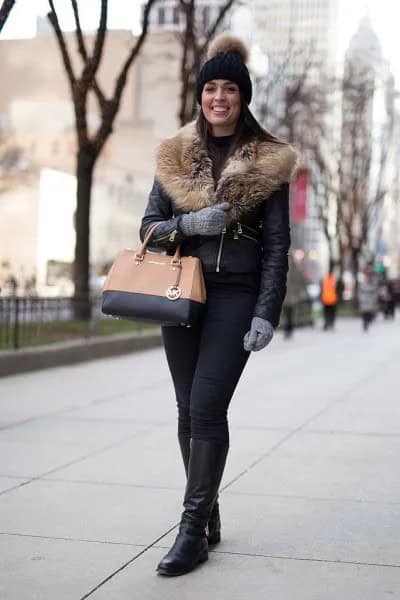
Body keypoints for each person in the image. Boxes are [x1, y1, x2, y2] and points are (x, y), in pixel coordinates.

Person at [140, 33, 297, 576]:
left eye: (230, 88)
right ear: (201, 96)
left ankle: (191, 533)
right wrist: (187, 224)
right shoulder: (175, 155)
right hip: (182, 289)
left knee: (207, 406)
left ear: (243, 96)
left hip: (235, 294)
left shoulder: (271, 161)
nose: (220, 97)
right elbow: (148, 230)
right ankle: (208, 512)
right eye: (211, 88)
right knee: (186, 410)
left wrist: (266, 311)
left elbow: (278, 246)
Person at [358, 264, 379, 331]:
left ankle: (368, 321)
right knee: (364, 312)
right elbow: (360, 290)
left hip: (371, 298)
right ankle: (365, 323)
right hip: (364, 298)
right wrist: (360, 298)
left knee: (369, 312)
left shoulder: (374, 281)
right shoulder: (363, 280)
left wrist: (375, 298)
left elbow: (375, 290)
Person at [321, 264, 338, 330]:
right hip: (331, 299)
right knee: (331, 312)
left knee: (327, 312)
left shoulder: (325, 279)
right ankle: (330, 323)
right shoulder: (333, 279)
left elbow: (322, 288)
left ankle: (327, 323)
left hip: (327, 299)